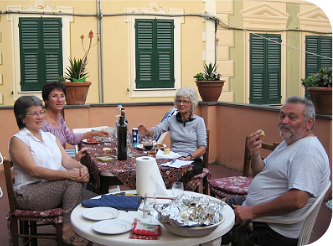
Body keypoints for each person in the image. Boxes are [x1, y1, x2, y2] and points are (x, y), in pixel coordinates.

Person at [222, 96, 330, 246]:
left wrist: (252, 211)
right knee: (213, 206)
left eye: (292, 117)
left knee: (210, 226)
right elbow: (260, 171)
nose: (284, 121)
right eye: (282, 116)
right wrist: (255, 153)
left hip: (271, 228)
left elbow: (298, 199)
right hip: (257, 210)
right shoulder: (289, 143)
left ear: (309, 123)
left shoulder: (308, 151)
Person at [9, 96, 90, 246]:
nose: (40, 117)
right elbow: (34, 171)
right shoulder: (18, 140)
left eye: (41, 112)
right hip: (29, 193)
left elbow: (66, 161)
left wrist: (82, 168)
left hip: (54, 189)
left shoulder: (50, 137)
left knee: (94, 197)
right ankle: (67, 229)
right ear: (22, 118)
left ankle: (86, 231)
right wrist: (68, 175)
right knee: (72, 183)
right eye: (34, 114)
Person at [138, 86, 207, 182]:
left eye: (185, 101)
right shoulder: (171, 119)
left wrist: (189, 158)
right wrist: (147, 132)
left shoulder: (199, 121)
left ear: (192, 104)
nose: (181, 104)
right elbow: (157, 129)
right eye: (179, 101)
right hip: (174, 158)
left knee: (180, 172)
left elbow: (203, 148)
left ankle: (176, 192)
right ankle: (161, 193)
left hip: (193, 159)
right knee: (153, 168)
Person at [41, 82, 109, 161]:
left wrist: (94, 133)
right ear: (46, 100)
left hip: (63, 162)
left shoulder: (59, 118)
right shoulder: (41, 122)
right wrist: (73, 161)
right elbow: (45, 154)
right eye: (54, 96)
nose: (59, 100)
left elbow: (72, 138)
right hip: (52, 166)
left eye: (62, 96)